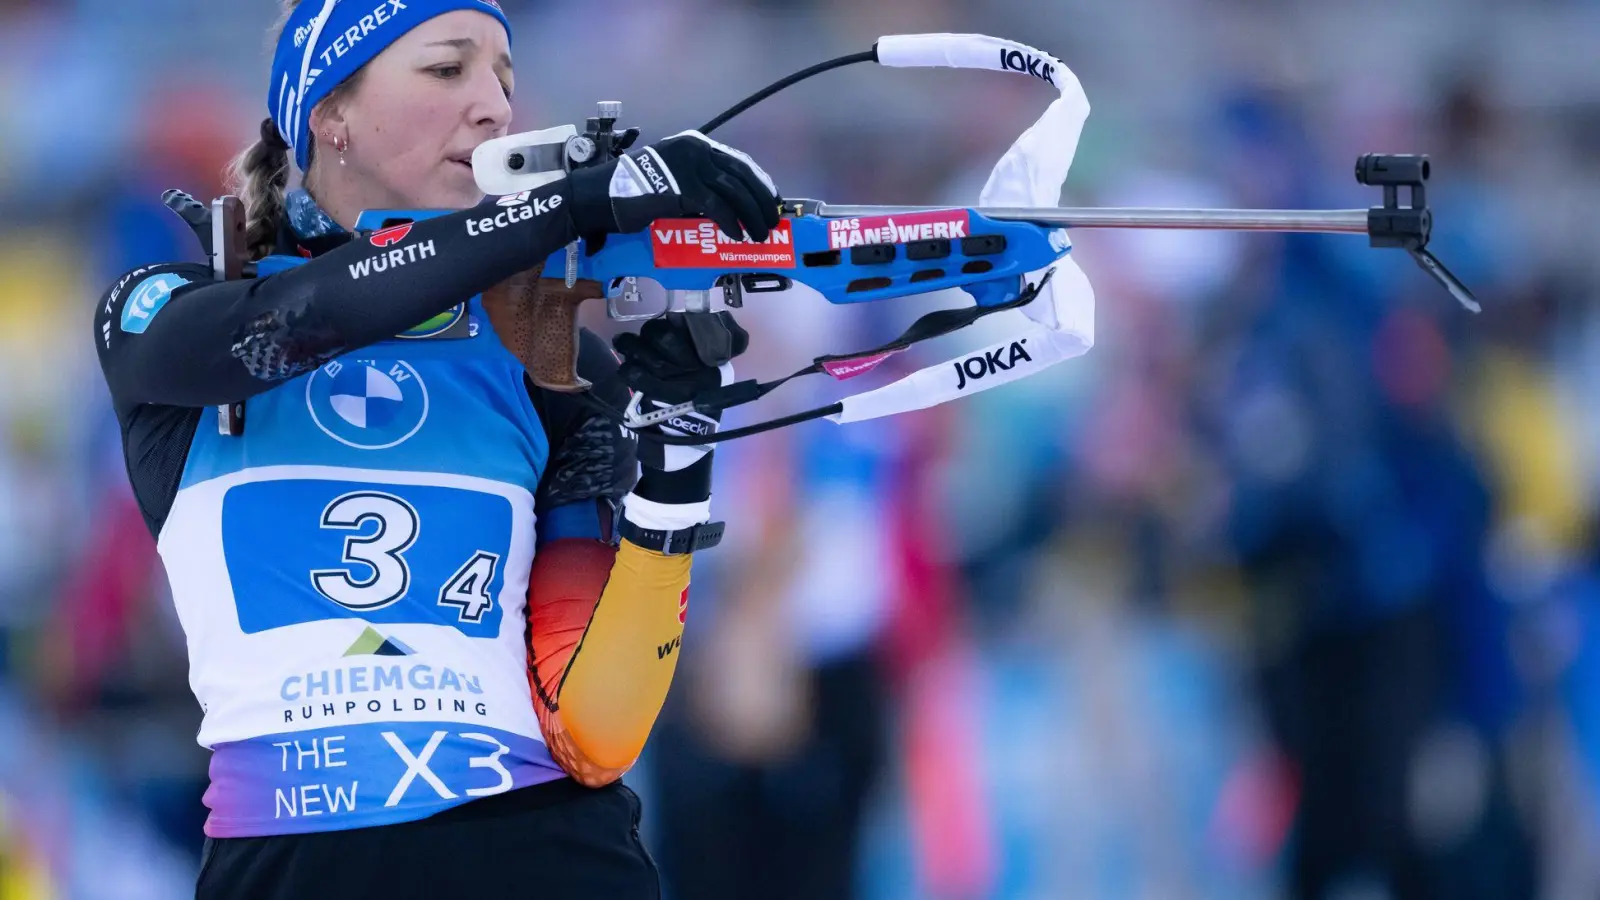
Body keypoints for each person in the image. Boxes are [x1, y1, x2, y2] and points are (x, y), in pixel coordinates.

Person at [90, 2, 781, 897]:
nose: (493, 105)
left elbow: (601, 726)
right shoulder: (172, 304)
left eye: (503, 77)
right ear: (329, 115)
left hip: (545, 854)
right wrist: (565, 208)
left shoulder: (543, 351)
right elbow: (292, 324)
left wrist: (681, 447)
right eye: (449, 69)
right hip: (295, 862)